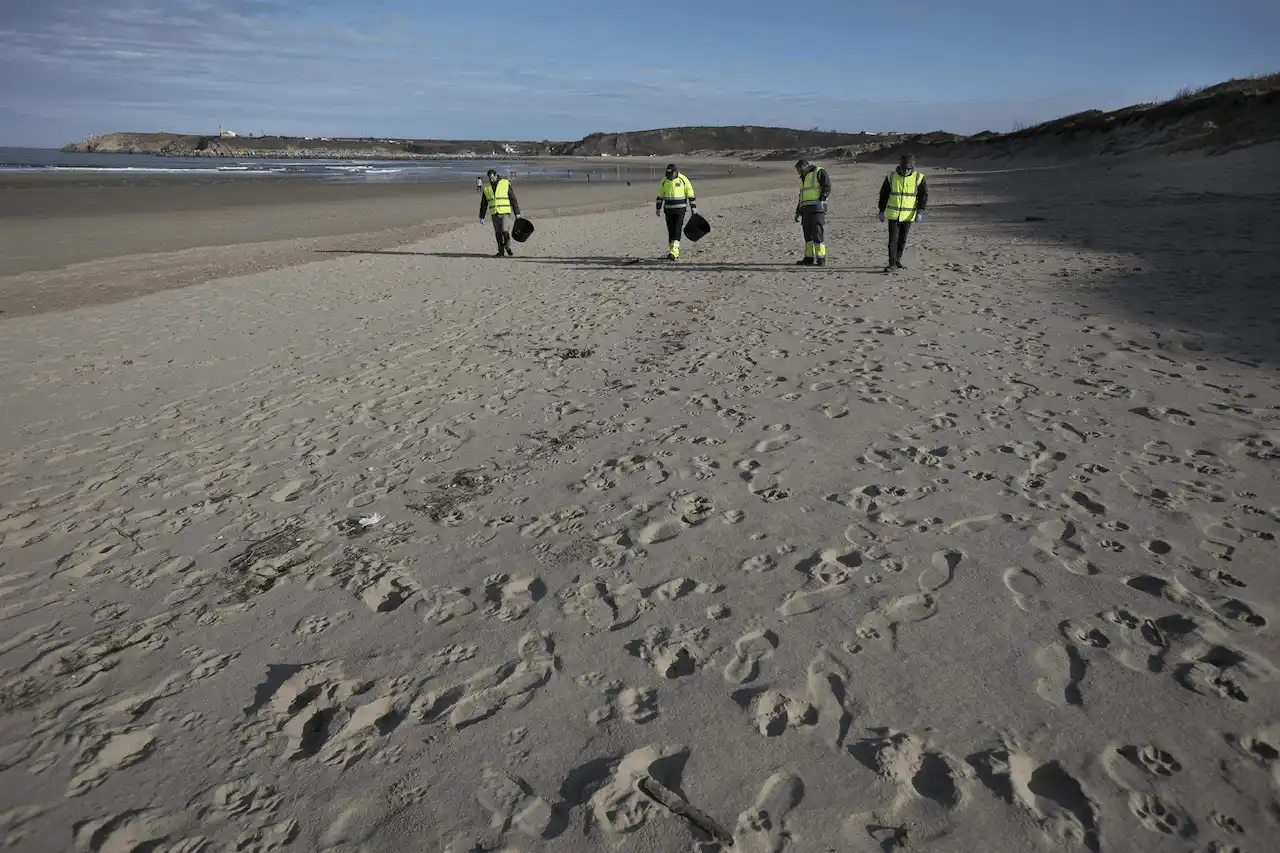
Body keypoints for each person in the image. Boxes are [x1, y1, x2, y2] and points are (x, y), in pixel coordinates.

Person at [877, 154, 928, 272]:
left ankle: (897, 260)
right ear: (900, 166)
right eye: (904, 168)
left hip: (908, 215)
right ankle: (892, 264)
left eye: (909, 169)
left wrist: (920, 211)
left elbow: (923, 196)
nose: (906, 171)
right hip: (893, 214)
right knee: (893, 240)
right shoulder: (891, 177)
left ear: (913, 167)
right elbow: (883, 194)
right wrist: (881, 210)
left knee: (902, 240)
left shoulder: (919, 178)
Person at [794, 159, 832, 266]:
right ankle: (809, 258)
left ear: (805, 167)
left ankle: (821, 258)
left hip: (817, 208)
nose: (798, 172)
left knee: (817, 233)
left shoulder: (819, 172)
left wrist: (823, 197)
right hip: (805, 210)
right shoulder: (803, 178)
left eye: (799, 169)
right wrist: (798, 212)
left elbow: (827, 186)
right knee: (808, 235)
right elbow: (801, 196)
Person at [655, 163, 696, 260]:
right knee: (671, 230)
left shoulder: (683, 179)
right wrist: (658, 208)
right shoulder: (664, 181)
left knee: (677, 229)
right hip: (668, 210)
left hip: (680, 209)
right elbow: (660, 195)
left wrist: (693, 208)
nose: (670, 177)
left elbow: (690, 193)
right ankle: (671, 250)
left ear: (675, 172)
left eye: (671, 175)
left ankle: (674, 252)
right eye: (668, 174)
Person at [479, 168, 521, 257]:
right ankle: (501, 251)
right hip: (494, 213)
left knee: (505, 232)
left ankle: (508, 247)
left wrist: (517, 213)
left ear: (496, 175)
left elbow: (513, 199)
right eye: (490, 178)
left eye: (492, 178)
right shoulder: (487, 187)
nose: (491, 180)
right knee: (498, 233)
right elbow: (484, 203)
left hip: (505, 212)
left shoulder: (505, 183)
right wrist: (481, 216)